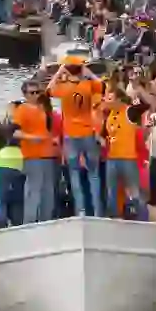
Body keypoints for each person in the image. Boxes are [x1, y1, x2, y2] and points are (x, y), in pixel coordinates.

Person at [49, 58, 103, 218]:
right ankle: (98, 210)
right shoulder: (88, 85)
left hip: (70, 134)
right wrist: (89, 73)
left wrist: (59, 72)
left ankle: (80, 210)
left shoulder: (63, 88)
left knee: (74, 173)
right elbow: (102, 85)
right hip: (87, 132)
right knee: (94, 173)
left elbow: (49, 89)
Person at [12, 80, 58, 222]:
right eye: (32, 93)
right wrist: (32, 137)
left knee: (48, 193)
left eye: (38, 92)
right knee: (34, 192)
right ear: (25, 94)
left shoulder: (43, 108)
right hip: (33, 156)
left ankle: (46, 222)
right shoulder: (22, 110)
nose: (36, 95)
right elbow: (15, 133)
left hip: (48, 155)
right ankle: (29, 224)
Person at [103, 91, 146, 220]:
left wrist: (139, 89)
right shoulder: (109, 115)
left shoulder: (129, 112)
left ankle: (140, 217)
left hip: (128, 158)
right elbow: (105, 136)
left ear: (119, 100)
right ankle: (114, 217)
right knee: (112, 192)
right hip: (112, 158)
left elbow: (146, 105)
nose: (106, 100)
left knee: (133, 191)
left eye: (110, 98)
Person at [0, 116, 24, 226]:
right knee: (17, 202)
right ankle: (18, 226)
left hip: (2, 169)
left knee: (2, 202)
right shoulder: (22, 151)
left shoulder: (0, 150)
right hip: (18, 170)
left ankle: (1, 226)